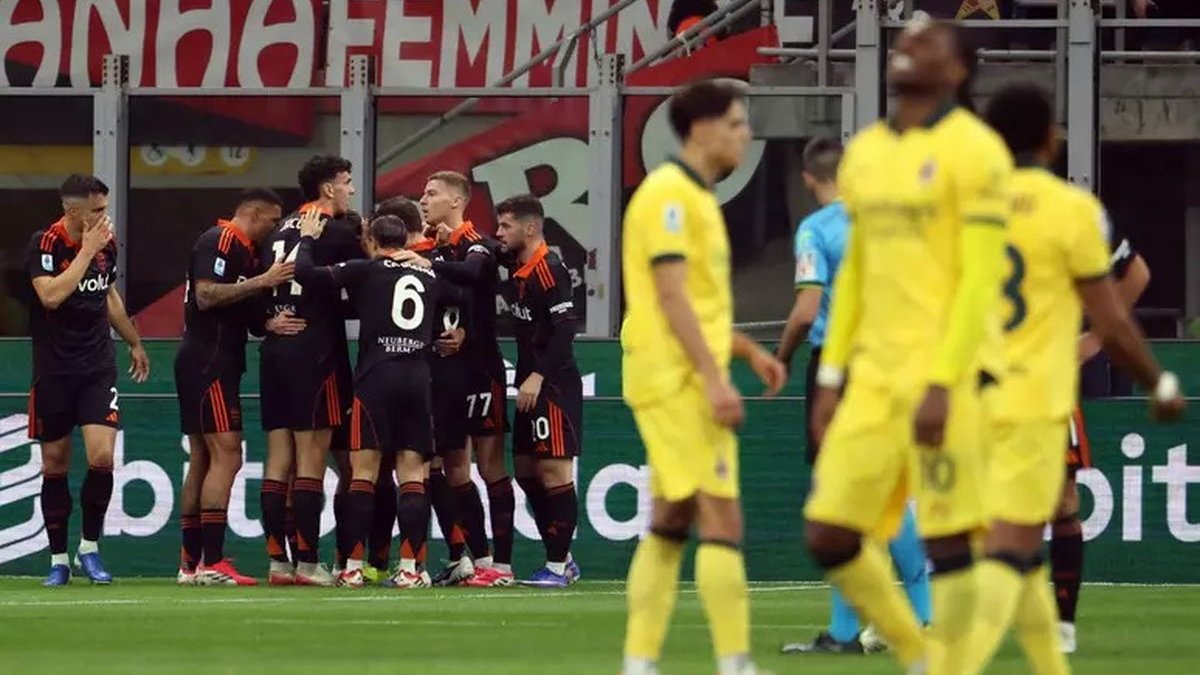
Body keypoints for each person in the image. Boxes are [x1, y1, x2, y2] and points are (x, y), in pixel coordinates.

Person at [804, 16, 1009, 675]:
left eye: (927, 43)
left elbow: (980, 278)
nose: (907, 46)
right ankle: (918, 651)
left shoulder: (977, 151)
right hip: (871, 375)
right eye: (905, 39)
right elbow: (856, 274)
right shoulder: (866, 153)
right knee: (829, 529)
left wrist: (946, 380)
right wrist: (831, 375)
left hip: (948, 372)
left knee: (948, 538)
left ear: (956, 70)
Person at [962, 82, 1186, 675]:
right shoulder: (1073, 209)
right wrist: (1151, 379)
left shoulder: (965, 207)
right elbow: (1129, 289)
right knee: (1022, 520)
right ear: (1050, 138)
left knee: (1032, 512)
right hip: (1037, 390)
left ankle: (1053, 625)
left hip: (974, 385)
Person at [619, 79, 786, 675]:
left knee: (671, 519)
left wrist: (745, 350)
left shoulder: (695, 197)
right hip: (677, 380)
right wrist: (716, 379)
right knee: (721, 517)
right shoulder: (669, 196)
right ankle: (735, 662)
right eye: (737, 124)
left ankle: (639, 661)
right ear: (704, 128)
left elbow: (699, 302)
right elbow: (670, 297)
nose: (745, 135)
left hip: (680, 373)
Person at [776, 138, 931, 655]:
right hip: (892, 364)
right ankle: (925, 614)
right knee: (887, 494)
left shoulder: (817, 230)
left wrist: (782, 356)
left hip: (839, 367)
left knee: (838, 499)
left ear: (808, 178)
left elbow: (807, 309)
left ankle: (845, 633)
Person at [292, 209, 461, 589]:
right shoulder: (428, 274)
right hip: (416, 377)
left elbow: (305, 275)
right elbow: (460, 296)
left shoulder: (364, 270)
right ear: (406, 241)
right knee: (413, 475)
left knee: (363, 474)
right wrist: (437, 258)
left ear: (371, 241)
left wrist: (306, 239)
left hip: (375, 379)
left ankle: (352, 568)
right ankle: (410, 570)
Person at [28, 174, 151, 586]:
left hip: (97, 366)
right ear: (72, 211)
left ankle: (89, 548)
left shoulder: (105, 245)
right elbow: (50, 296)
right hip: (53, 370)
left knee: (101, 457)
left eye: (105, 208)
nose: (104, 217)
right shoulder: (45, 244)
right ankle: (58, 559)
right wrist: (85, 250)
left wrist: (133, 341)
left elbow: (108, 294)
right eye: (96, 210)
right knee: (55, 462)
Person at [174, 188, 292, 586]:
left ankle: (191, 563)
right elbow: (206, 295)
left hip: (214, 360)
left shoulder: (246, 252)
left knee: (203, 458)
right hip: (207, 361)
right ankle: (212, 561)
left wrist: (267, 322)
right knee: (227, 455)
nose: (275, 228)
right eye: (272, 220)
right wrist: (263, 280)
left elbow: (244, 312)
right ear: (254, 214)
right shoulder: (220, 239)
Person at [258, 155, 362, 587]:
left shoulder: (276, 231)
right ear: (328, 188)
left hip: (275, 351)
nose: (351, 190)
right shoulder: (335, 232)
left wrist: (267, 321)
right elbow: (371, 282)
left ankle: (277, 563)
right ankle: (307, 562)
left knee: (277, 461)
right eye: (347, 182)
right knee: (311, 461)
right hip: (316, 352)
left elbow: (261, 290)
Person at [1056, 204, 1151, 653]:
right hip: (983, 377)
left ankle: (1063, 624)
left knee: (1062, 503)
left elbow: (1136, 273)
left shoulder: (1066, 213)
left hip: (1046, 384)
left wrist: (1096, 337)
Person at [418, 172, 514, 587]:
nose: (424, 200)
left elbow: (473, 277)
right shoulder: (430, 246)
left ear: (456, 201)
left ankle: (503, 565)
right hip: (444, 372)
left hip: (481, 370)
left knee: (490, 466)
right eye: (423, 193)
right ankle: (477, 558)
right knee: (450, 465)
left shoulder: (476, 243)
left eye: (432, 193)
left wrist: (432, 260)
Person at [375, 196, 476, 584]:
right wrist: (465, 328)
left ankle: (416, 564)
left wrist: (462, 329)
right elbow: (465, 297)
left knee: (418, 468)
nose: (426, 199)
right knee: (432, 469)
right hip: (437, 372)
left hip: (422, 371)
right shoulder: (439, 257)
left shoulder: (412, 262)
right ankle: (456, 556)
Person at [494, 195, 582, 588]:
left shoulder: (550, 269)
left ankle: (558, 566)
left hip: (554, 384)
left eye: (506, 226)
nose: (499, 233)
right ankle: (564, 558)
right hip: (530, 383)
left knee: (554, 471)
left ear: (530, 228)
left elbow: (566, 329)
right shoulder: (516, 264)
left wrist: (538, 376)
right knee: (527, 472)